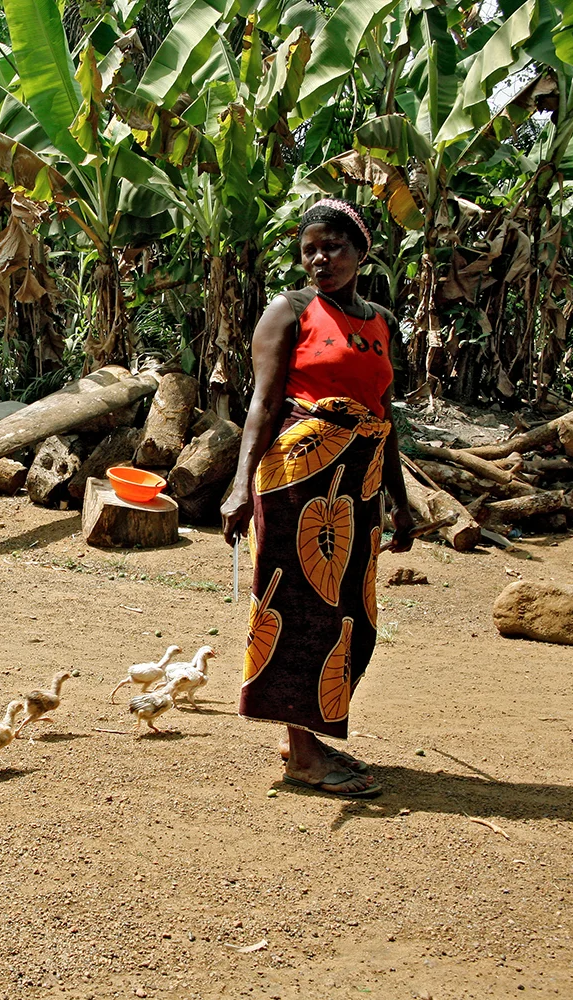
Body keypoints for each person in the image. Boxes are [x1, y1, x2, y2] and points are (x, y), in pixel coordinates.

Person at [219, 198, 415, 799]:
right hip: (296, 479)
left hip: (358, 485)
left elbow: (384, 414)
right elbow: (263, 403)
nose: (319, 259)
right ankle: (303, 756)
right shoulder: (290, 312)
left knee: (350, 618)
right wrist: (237, 483)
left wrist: (398, 499)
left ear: (361, 254)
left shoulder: (380, 323)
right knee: (301, 614)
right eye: (309, 249)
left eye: (332, 247)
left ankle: (306, 734)